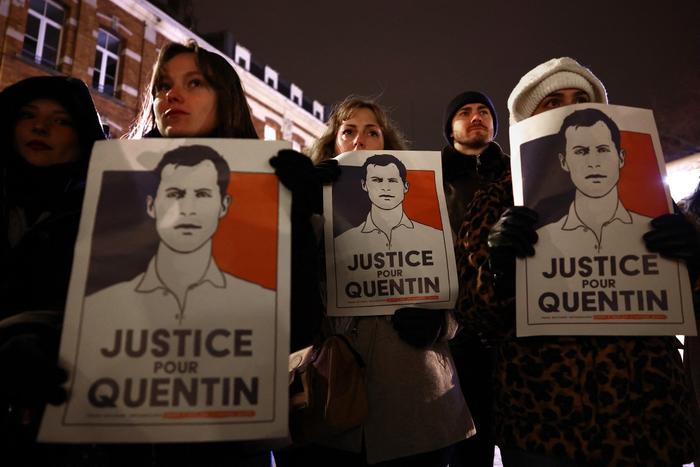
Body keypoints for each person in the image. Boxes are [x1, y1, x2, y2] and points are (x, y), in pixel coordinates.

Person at [463, 56, 698, 465]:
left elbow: (688, 300)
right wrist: (498, 268)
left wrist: (693, 259)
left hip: (646, 417)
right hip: (544, 418)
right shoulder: (496, 198)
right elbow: (475, 313)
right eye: (553, 102)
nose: (570, 108)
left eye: (580, 99)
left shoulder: (650, 193)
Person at [279, 97, 473, 466]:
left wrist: (441, 322)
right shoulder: (309, 209)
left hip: (417, 394)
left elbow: (462, 290)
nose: (359, 141)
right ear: (333, 143)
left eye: (372, 132)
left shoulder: (431, 214)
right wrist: (300, 208)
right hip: (331, 394)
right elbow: (287, 292)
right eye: (348, 132)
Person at [0, 76, 106, 462]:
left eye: (60, 120)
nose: (40, 127)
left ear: (82, 137)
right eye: (27, 115)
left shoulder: (105, 218)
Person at [82, 145, 273, 325]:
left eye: (202, 194)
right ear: (151, 205)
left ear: (224, 205)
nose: (187, 210)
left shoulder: (266, 304)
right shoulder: (96, 307)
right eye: (174, 194)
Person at [440, 90, 507, 467]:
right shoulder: (429, 179)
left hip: (509, 323)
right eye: (464, 112)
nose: (476, 116)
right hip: (453, 325)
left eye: (483, 111)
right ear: (451, 129)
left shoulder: (518, 174)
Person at [537, 108, 653, 253]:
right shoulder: (540, 238)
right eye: (581, 152)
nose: (593, 163)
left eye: (602, 150)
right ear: (564, 162)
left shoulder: (653, 228)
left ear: (621, 158)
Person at [334, 154, 443, 249]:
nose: (385, 188)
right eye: (377, 180)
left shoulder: (437, 237)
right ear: (364, 185)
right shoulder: (339, 243)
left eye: (392, 181)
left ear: (405, 187)